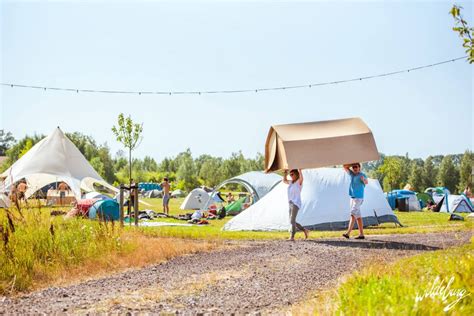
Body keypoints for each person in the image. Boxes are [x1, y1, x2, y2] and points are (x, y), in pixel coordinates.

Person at [343, 163, 368, 240]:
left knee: (352, 214)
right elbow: (344, 166)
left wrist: (363, 179)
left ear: (359, 168)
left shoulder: (362, 175)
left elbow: (366, 182)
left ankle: (348, 233)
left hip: (359, 198)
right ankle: (361, 235)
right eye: (353, 167)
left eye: (356, 167)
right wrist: (352, 163)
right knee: (358, 217)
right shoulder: (352, 174)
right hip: (353, 198)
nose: (355, 168)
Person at [283, 169, 309, 241]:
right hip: (290, 202)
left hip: (296, 203)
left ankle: (292, 236)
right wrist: (285, 173)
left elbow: (302, 178)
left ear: (296, 174)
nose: (291, 176)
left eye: (292, 174)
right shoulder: (291, 182)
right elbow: (284, 181)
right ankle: (304, 230)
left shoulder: (298, 182)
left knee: (292, 220)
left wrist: (300, 170)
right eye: (290, 174)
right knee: (291, 220)